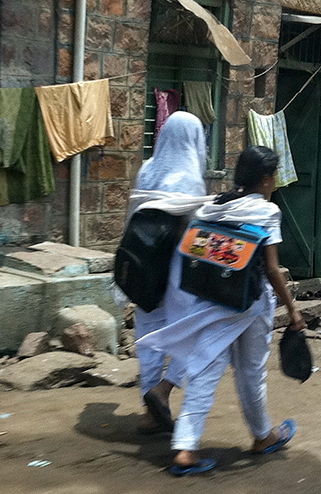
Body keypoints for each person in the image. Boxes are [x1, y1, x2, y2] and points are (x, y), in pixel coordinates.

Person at [136, 145, 305, 476]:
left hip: (212, 302)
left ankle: (186, 448)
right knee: (252, 372)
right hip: (251, 304)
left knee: (205, 369)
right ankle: (262, 436)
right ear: (267, 179)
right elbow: (272, 270)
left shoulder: (213, 207)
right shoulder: (266, 213)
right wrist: (293, 311)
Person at [125, 111, 209, 434]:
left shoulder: (148, 169)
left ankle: (150, 412)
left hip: (144, 262)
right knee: (194, 332)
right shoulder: (189, 177)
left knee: (148, 336)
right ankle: (165, 389)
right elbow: (194, 231)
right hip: (177, 269)